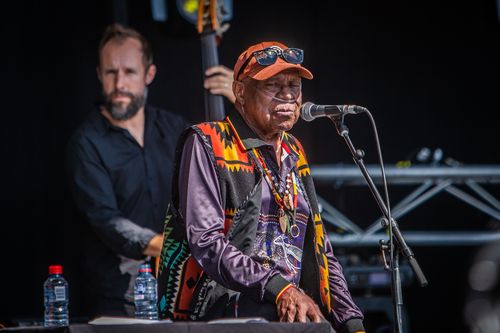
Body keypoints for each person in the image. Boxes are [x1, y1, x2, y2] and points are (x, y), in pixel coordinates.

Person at [157, 41, 366, 333]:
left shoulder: (294, 151)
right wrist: (278, 288)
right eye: (273, 85)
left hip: (286, 314)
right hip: (224, 314)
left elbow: (322, 251)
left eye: (294, 85)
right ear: (240, 92)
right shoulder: (206, 141)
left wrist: (351, 320)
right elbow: (206, 242)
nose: (288, 94)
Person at [65, 23, 190, 317]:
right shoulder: (86, 143)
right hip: (120, 297)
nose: (119, 83)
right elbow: (106, 219)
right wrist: (160, 244)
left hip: (183, 290)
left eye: (130, 72)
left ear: (149, 75)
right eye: (111, 72)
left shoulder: (175, 128)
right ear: (99, 75)